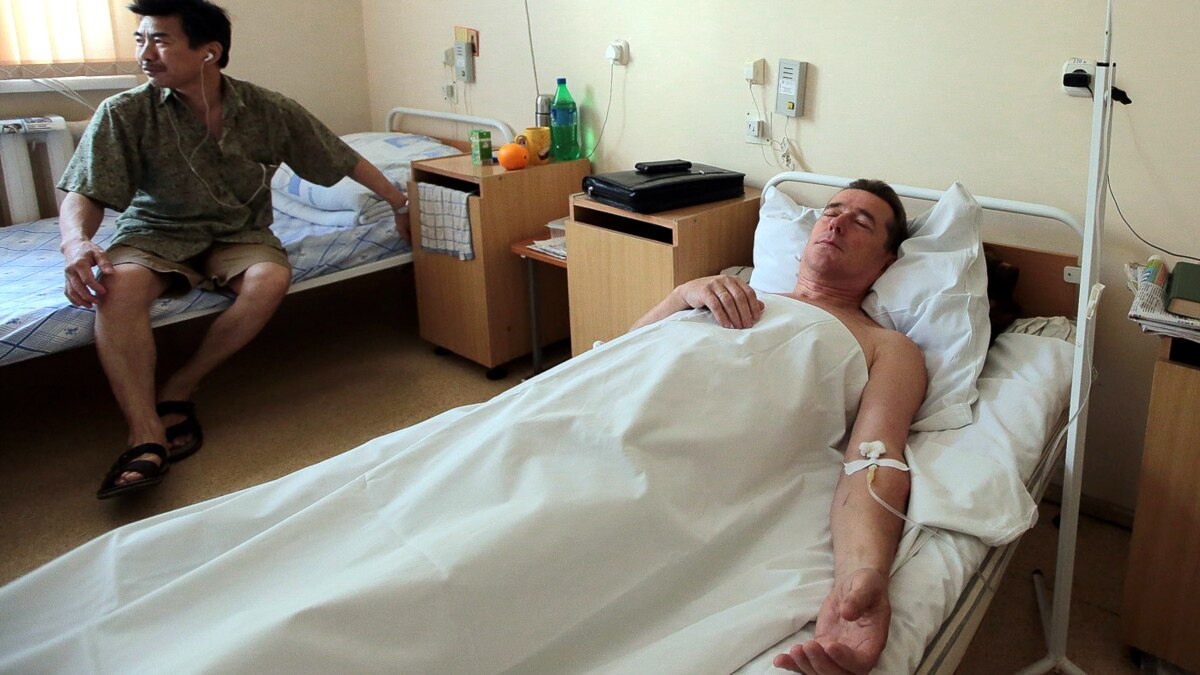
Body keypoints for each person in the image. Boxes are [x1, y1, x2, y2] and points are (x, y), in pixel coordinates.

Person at [57, 0, 411, 499]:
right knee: (116, 289)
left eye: (160, 40)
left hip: (239, 232)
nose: (145, 53)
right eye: (140, 40)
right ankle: (145, 432)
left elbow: (340, 156)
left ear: (208, 51)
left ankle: (182, 386)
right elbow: (86, 190)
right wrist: (76, 242)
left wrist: (399, 201)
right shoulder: (125, 112)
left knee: (270, 279)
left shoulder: (267, 109)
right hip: (156, 230)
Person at [632, 179, 926, 675]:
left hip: (687, 454)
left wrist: (861, 574)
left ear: (886, 262)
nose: (836, 223)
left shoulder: (886, 346)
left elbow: (872, 459)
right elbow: (622, 355)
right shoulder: (729, 294)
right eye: (831, 212)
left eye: (861, 222)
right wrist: (681, 295)